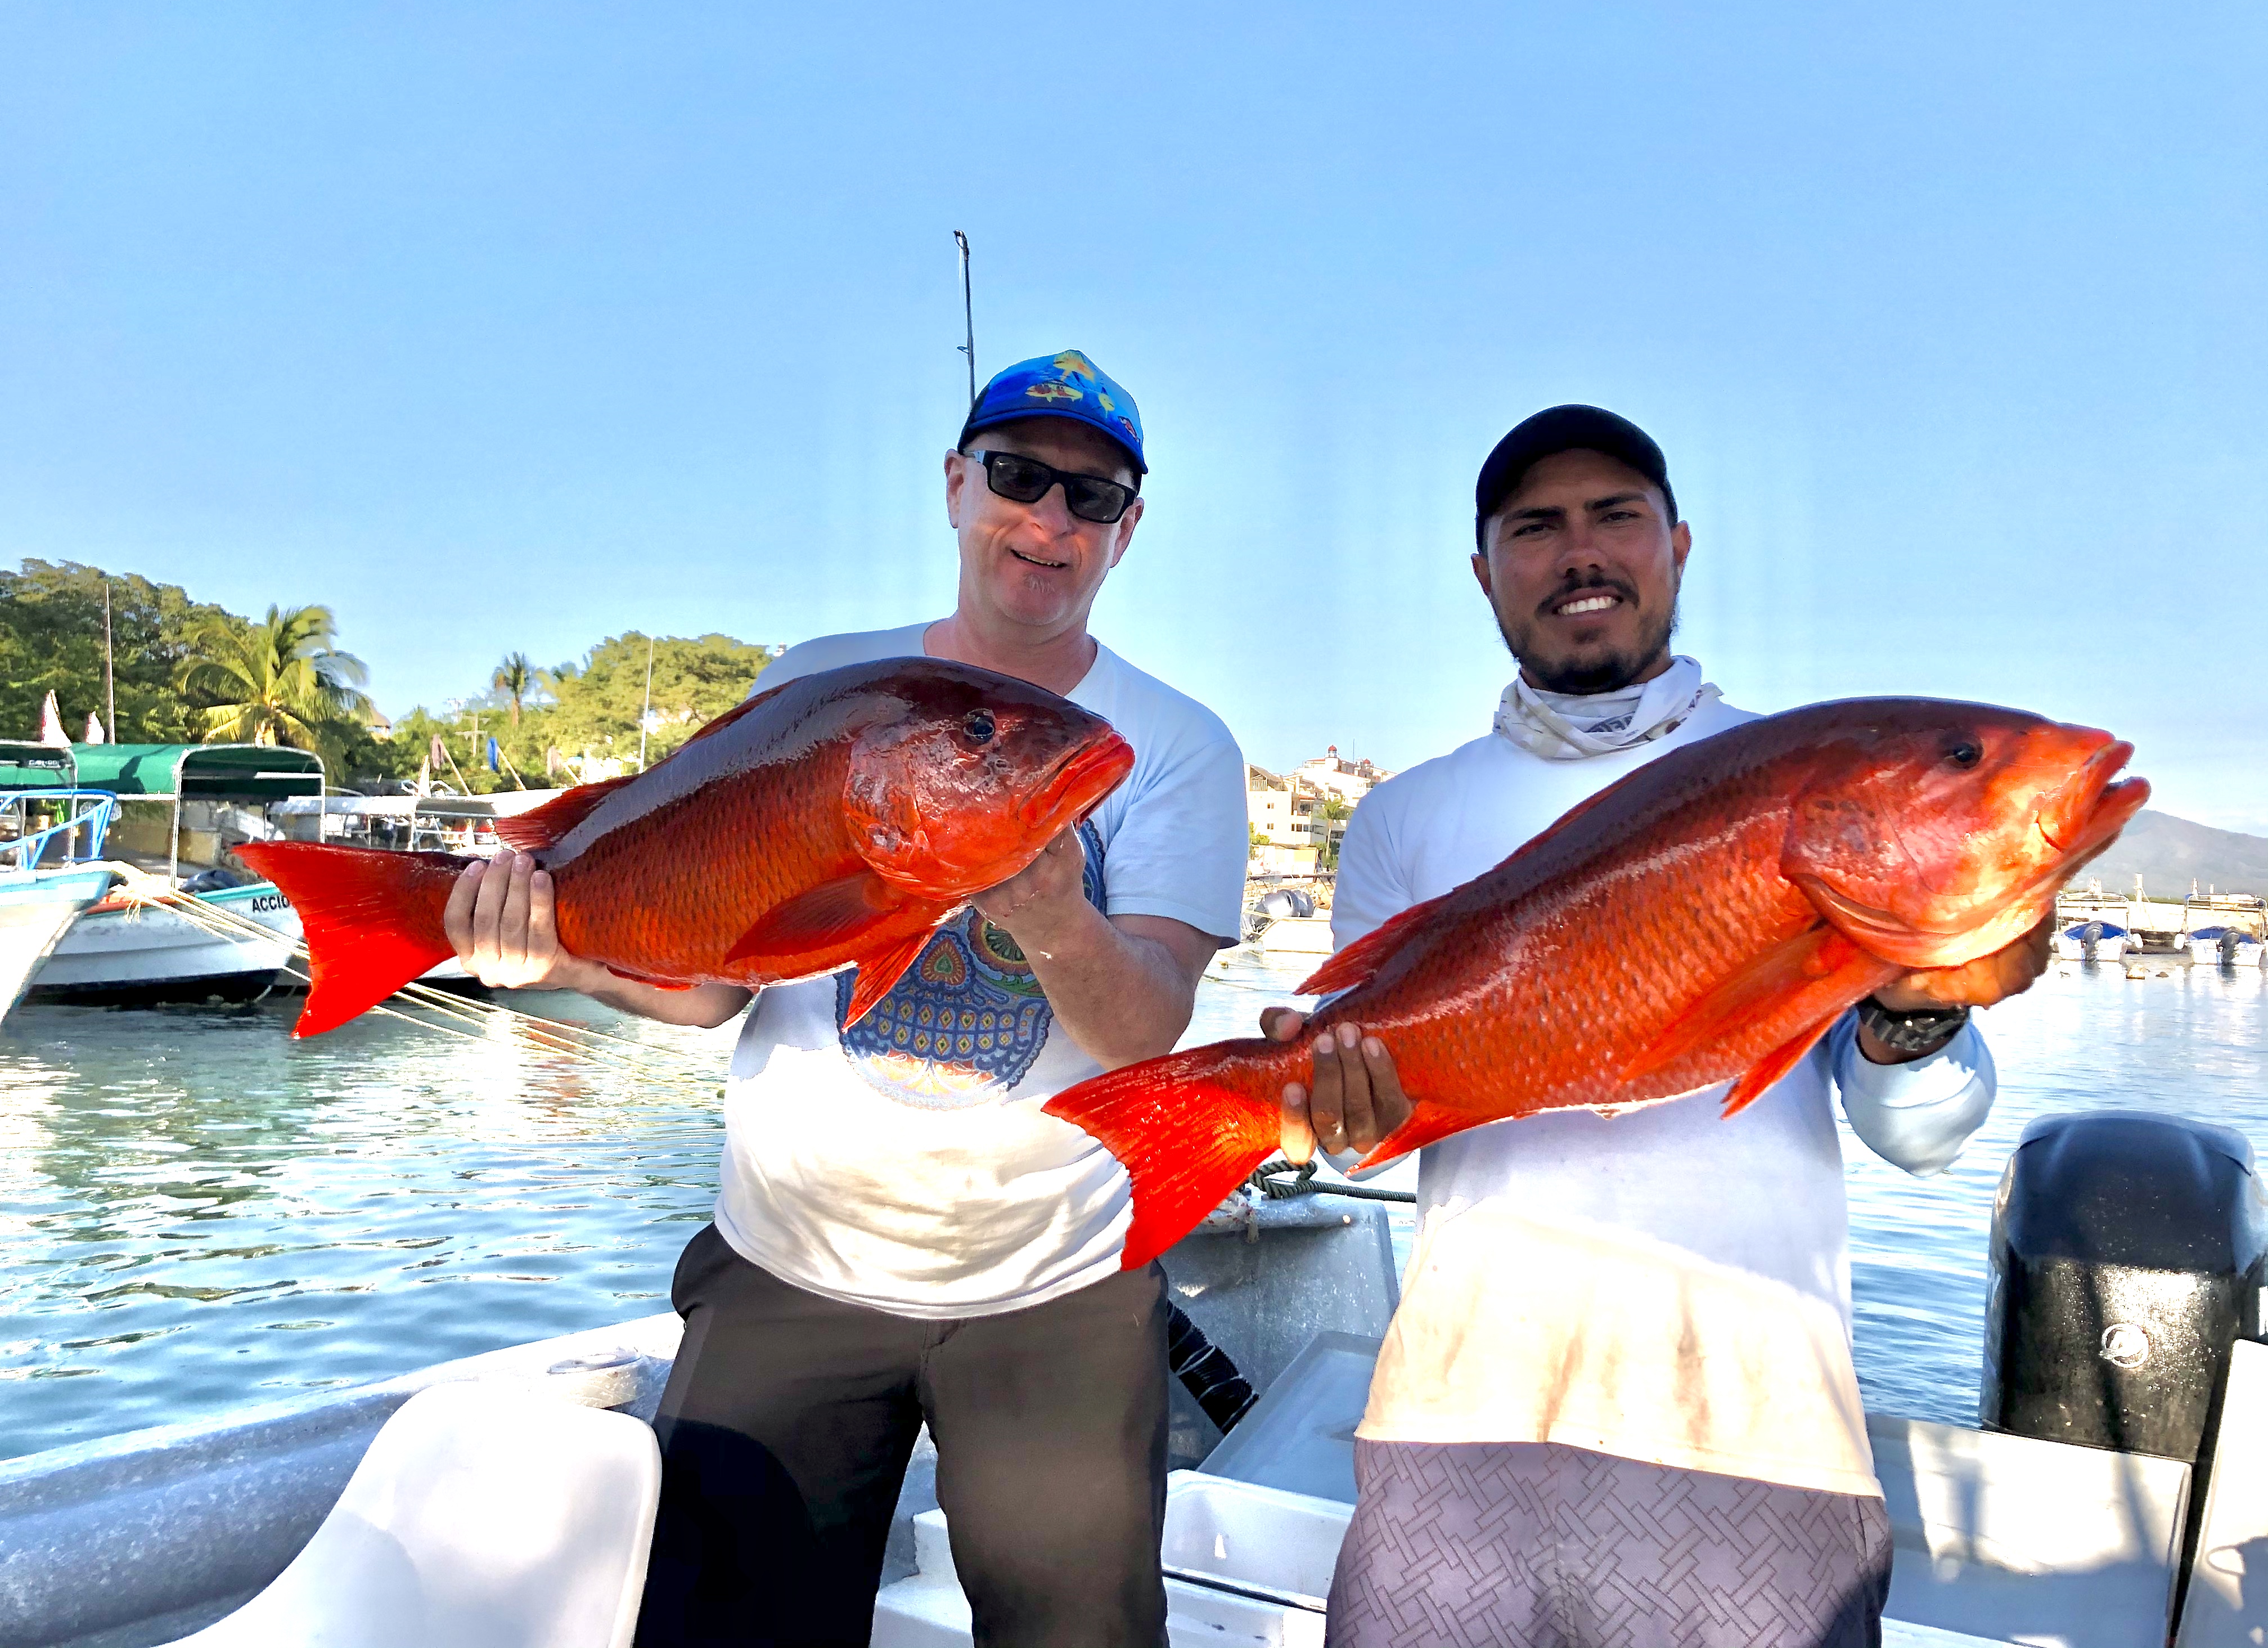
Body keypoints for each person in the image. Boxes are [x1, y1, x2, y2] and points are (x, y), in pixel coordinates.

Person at [447, 350, 1248, 1647]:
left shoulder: (1178, 744)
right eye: (1016, 476)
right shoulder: (827, 676)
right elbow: (712, 988)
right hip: (788, 1266)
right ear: (955, 485)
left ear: (1128, 529)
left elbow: (1145, 1029)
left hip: (1059, 1284)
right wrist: (560, 951)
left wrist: (1047, 908)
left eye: (1090, 499)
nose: (1046, 521)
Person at [1268, 405, 2050, 1648]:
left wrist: (1914, 1016)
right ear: (1485, 573)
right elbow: (1370, 1136)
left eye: (1615, 516)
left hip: (1760, 1425)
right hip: (1459, 1417)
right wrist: (1330, 1109)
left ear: (1678, 545)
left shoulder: (1815, 783)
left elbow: (1919, 1134)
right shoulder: (1403, 821)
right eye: (1537, 526)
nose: (1582, 551)